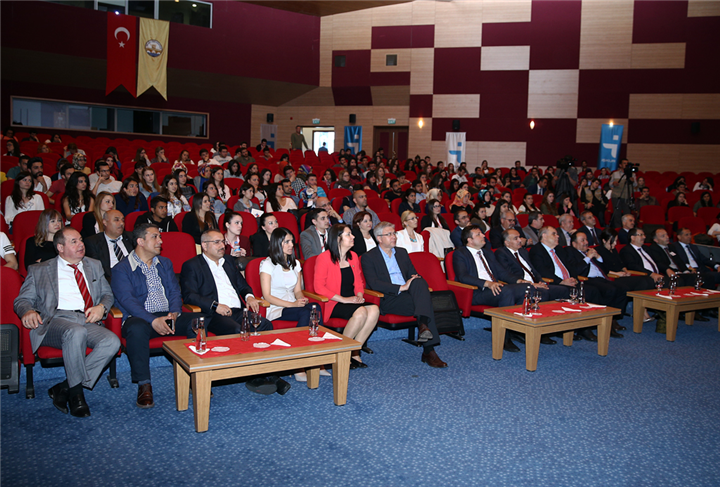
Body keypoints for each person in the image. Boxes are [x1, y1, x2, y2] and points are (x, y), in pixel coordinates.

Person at [15, 227, 119, 417]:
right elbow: (22, 300)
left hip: (87, 318)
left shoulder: (94, 265)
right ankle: (77, 395)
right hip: (55, 321)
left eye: (81, 240)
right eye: (74, 241)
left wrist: (101, 307)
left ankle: (65, 387)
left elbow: (107, 294)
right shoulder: (39, 270)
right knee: (76, 332)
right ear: (60, 248)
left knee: (112, 341)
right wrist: (27, 310)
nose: (81, 244)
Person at [111, 224, 203, 408]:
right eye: (155, 237)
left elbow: (174, 292)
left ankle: (195, 376)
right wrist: (152, 320)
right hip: (139, 318)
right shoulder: (121, 269)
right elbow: (128, 301)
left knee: (197, 321)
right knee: (137, 328)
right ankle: (144, 384)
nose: (160, 241)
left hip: (167, 315)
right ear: (140, 241)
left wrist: (174, 313)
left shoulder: (165, 263)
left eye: (159, 237)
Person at [362, 222, 447, 367]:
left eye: (394, 233)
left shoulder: (401, 252)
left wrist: (412, 281)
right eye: (389, 234)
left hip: (409, 294)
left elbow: (412, 274)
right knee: (426, 303)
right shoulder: (369, 257)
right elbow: (374, 283)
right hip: (389, 297)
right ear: (379, 238)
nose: (393, 237)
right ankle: (428, 349)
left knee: (419, 281)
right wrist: (401, 287)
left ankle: (424, 328)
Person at [314, 224, 380, 368]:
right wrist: (343, 299)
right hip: (334, 302)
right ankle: (342, 351)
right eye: (348, 234)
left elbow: (359, 281)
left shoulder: (353, 256)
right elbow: (319, 288)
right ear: (338, 238)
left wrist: (360, 295)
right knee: (361, 312)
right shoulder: (324, 258)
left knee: (374, 309)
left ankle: (354, 351)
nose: (353, 237)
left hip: (351, 300)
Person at [527, 226, 598, 341]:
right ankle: (568, 329)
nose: (557, 236)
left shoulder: (559, 249)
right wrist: (561, 281)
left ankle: (584, 327)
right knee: (572, 291)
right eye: (554, 234)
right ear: (544, 236)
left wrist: (574, 278)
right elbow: (542, 270)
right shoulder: (537, 250)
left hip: (568, 281)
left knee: (592, 290)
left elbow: (570, 266)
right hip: (554, 282)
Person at [565, 232, 628, 337]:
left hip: (601, 278)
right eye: (582, 240)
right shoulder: (570, 252)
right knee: (610, 290)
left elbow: (606, 270)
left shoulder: (590, 251)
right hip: (587, 279)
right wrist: (587, 258)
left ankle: (613, 318)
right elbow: (576, 270)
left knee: (623, 289)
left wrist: (598, 257)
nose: (586, 242)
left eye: (586, 239)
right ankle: (606, 320)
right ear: (574, 244)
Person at [260, 227, 321, 331]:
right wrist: (292, 305)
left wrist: (301, 299)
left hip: (293, 305)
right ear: (277, 243)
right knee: (306, 312)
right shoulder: (267, 264)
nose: (291, 245)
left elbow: (297, 291)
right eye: (287, 242)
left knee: (316, 307)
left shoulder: (295, 263)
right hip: (277, 308)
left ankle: (316, 338)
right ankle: (300, 339)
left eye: (292, 241)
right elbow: (267, 296)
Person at [495, 228, 570, 302]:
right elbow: (508, 275)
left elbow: (533, 270)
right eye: (516, 238)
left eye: (519, 237)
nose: (520, 240)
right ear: (507, 243)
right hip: (522, 285)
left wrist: (540, 281)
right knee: (543, 293)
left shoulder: (523, 252)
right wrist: (530, 284)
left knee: (564, 290)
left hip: (535, 284)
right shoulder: (501, 253)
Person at [84, 210, 134, 283]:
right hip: (112, 280)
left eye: (123, 220)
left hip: (135, 277)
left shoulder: (131, 237)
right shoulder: (93, 242)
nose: (121, 223)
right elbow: (97, 271)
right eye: (116, 220)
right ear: (105, 222)